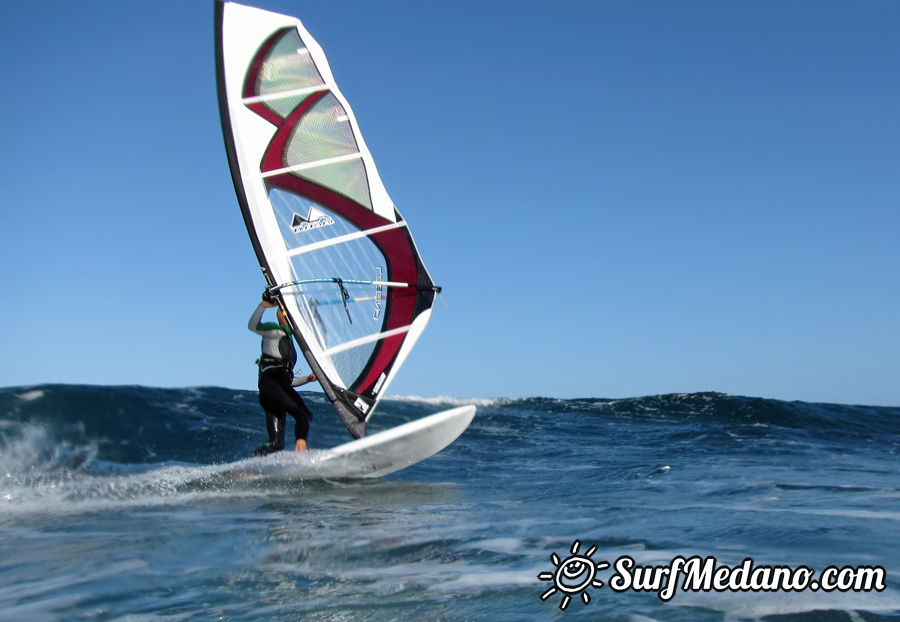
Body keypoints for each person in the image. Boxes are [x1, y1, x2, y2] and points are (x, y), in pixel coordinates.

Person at [248, 292, 317, 456]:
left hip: (272, 388)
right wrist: (263, 306)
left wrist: (307, 379)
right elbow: (253, 326)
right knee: (303, 414)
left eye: (284, 309)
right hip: (272, 381)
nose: (281, 310)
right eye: (281, 308)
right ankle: (300, 454)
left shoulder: (290, 340)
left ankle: (252, 466)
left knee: (276, 443)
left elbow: (288, 381)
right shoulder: (274, 331)